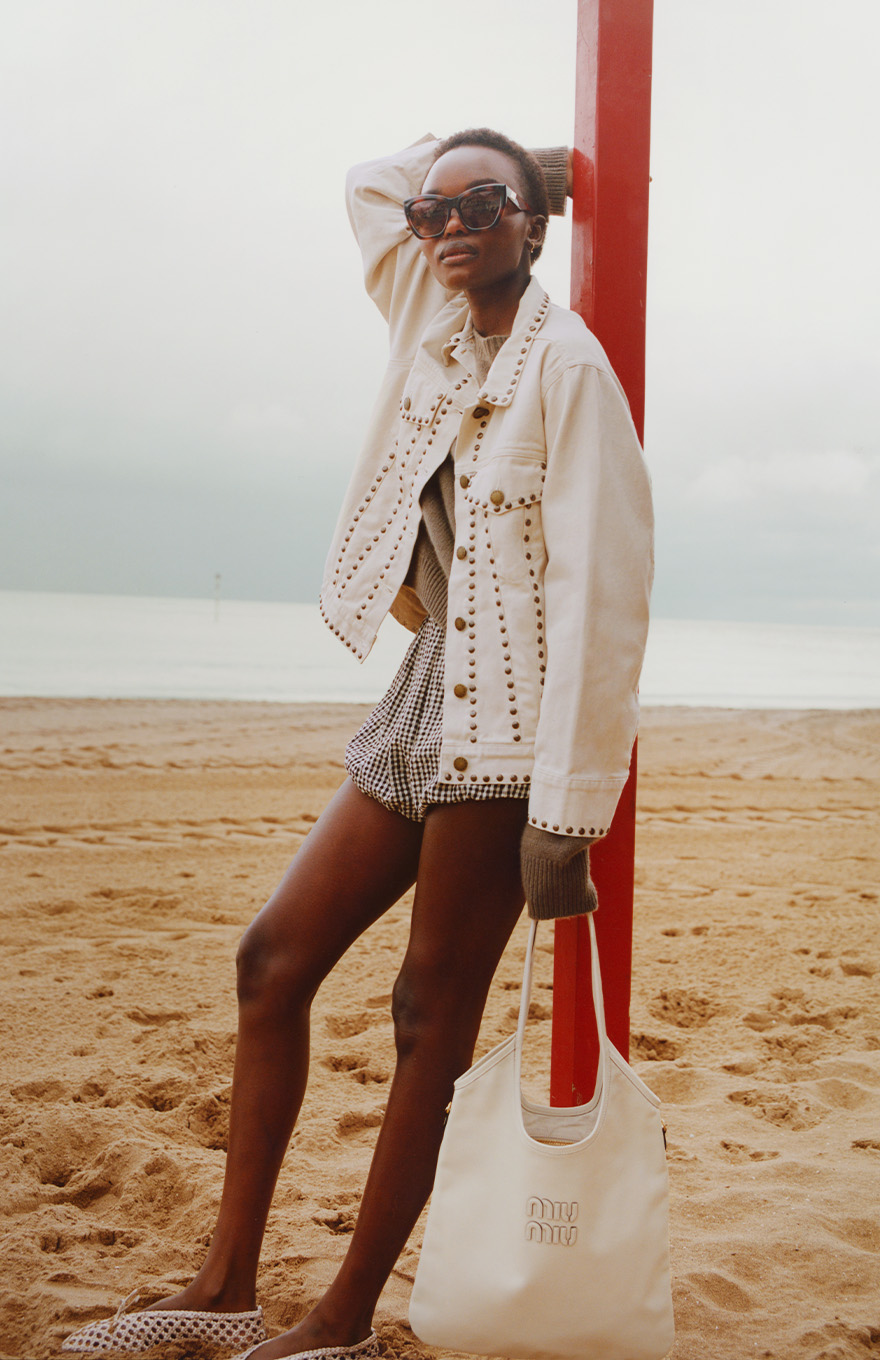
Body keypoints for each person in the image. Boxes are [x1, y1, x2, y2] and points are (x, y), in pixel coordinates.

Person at [62, 129, 653, 1360]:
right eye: (435, 213)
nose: (444, 227)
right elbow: (367, 184)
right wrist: (504, 156)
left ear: (533, 226)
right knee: (272, 960)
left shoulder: (569, 369)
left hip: (512, 717)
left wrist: (569, 807)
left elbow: (607, 592)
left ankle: (339, 1318)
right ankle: (224, 1286)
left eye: (481, 206)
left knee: (428, 1011)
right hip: (426, 679)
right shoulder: (423, 317)